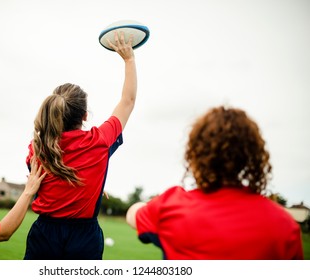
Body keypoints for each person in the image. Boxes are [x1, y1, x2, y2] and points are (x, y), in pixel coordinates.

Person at [126, 106, 304, 260]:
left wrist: (145, 206)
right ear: (251, 157)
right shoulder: (286, 227)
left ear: (197, 153)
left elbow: (132, 215)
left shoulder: (171, 205)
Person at [23, 31, 137, 260]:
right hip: (83, 239)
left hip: (44, 235)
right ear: (85, 116)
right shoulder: (99, 141)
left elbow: (45, 181)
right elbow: (128, 101)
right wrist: (129, 60)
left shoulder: (37, 148)